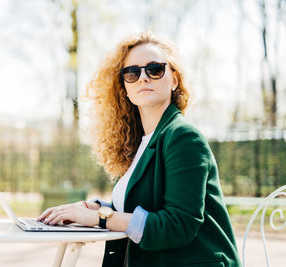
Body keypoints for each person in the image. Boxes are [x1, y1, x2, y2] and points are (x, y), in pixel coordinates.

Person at [37, 31, 241, 267]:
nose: (143, 78)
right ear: (124, 86)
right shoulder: (138, 143)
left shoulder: (183, 137)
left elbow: (178, 226)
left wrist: (100, 218)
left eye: (154, 69)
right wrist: (93, 207)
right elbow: (139, 207)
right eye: (132, 73)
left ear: (174, 80)